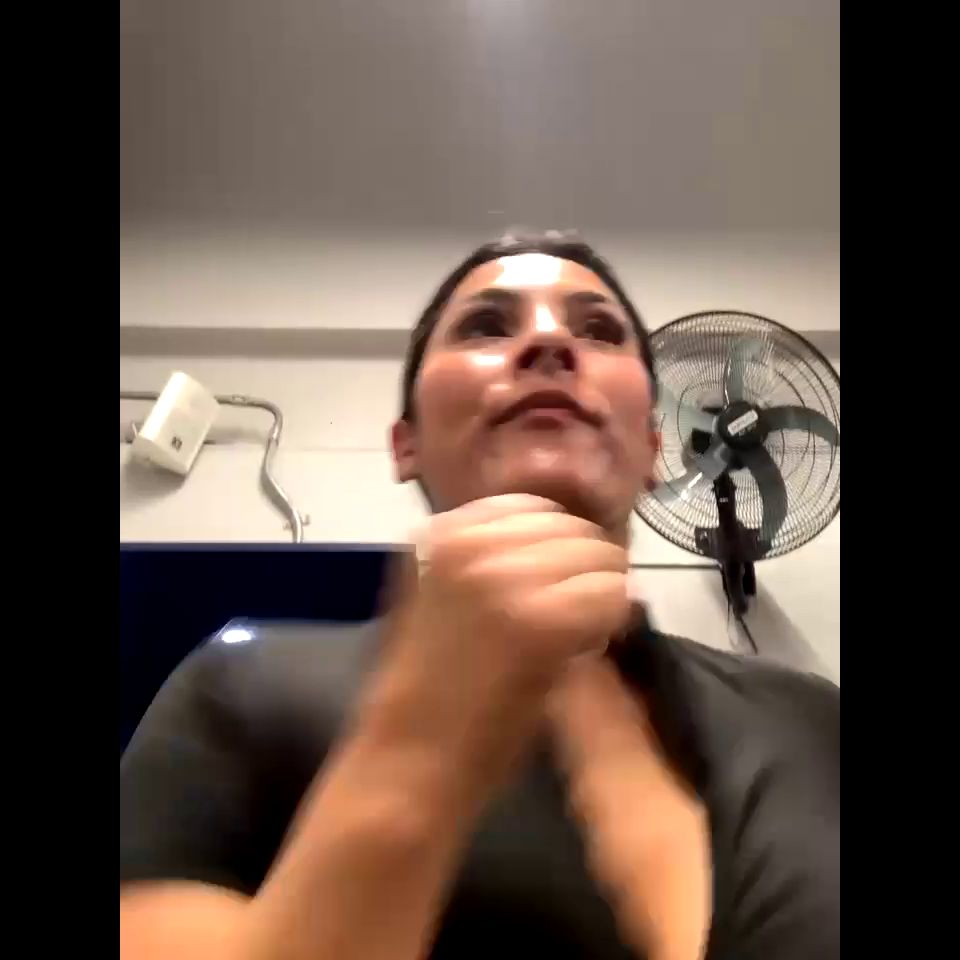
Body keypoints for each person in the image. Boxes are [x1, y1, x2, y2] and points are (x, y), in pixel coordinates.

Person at [120, 232, 840, 960]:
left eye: (598, 330)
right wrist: (418, 741)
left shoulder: (814, 720)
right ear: (405, 444)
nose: (552, 342)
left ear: (656, 449)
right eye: (486, 326)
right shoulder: (236, 692)